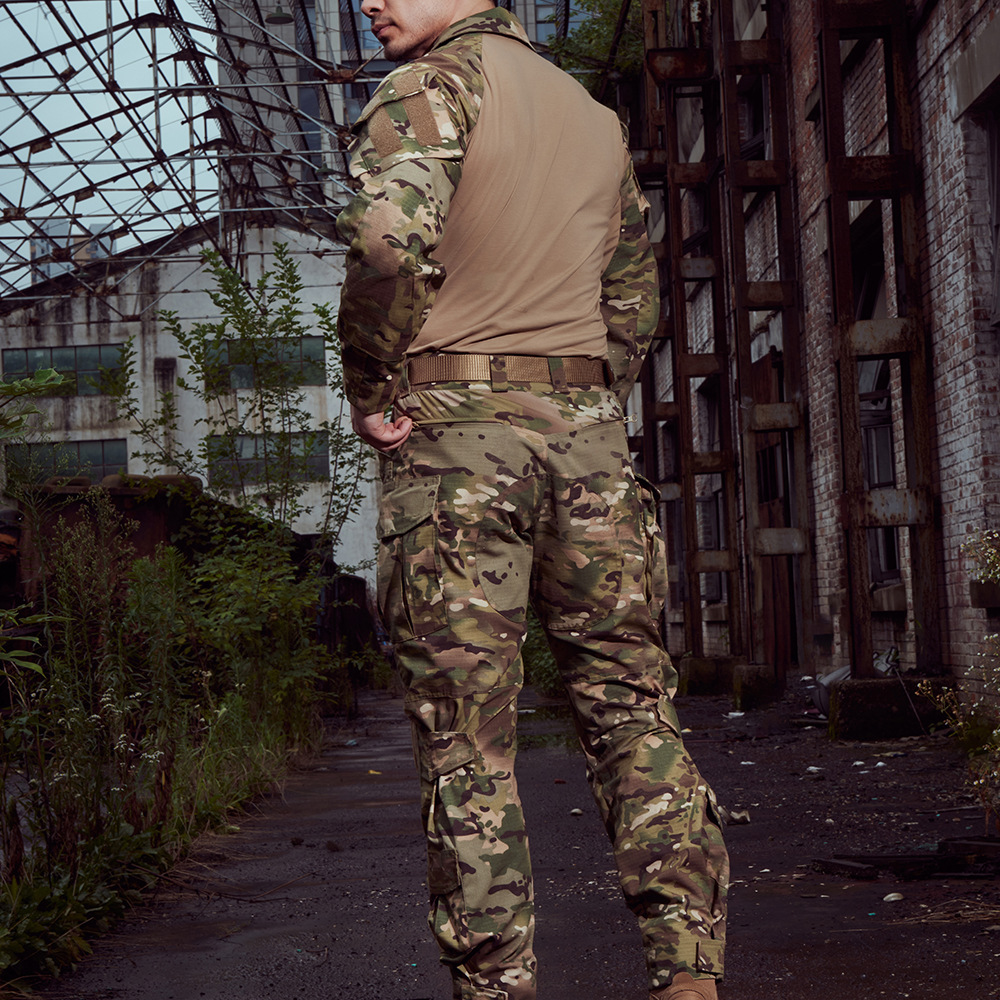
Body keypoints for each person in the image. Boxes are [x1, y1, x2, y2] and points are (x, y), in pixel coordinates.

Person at [334, 2, 729, 998]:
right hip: (588, 442)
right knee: (632, 711)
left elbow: (386, 246)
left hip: (457, 441)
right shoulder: (592, 118)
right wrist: (585, 403)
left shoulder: (432, 86)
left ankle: (497, 988)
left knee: (467, 740)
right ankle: (689, 973)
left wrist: (372, 389)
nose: (368, 0)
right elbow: (632, 296)